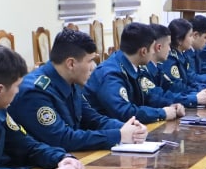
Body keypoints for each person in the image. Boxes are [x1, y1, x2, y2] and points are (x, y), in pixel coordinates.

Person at [9, 29, 149, 152]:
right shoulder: (35, 92)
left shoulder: (71, 81)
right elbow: (62, 139)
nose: (93, 67)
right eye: (89, 61)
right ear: (71, 64)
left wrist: (129, 128)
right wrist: (118, 135)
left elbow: (93, 119)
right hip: (40, 166)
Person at [85, 22, 184, 124]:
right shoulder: (111, 74)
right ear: (143, 51)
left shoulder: (132, 65)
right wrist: (161, 113)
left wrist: (170, 106)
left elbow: (149, 96)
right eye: (152, 48)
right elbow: (124, 112)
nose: (154, 52)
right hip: (107, 130)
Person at [145, 22, 206, 109]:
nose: (169, 49)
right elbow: (173, 89)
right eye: (190, 36)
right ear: (179, 40)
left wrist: (204, 92)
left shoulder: (180, 57)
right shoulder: (169, 61)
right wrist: (197, 96)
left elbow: (186, 82)